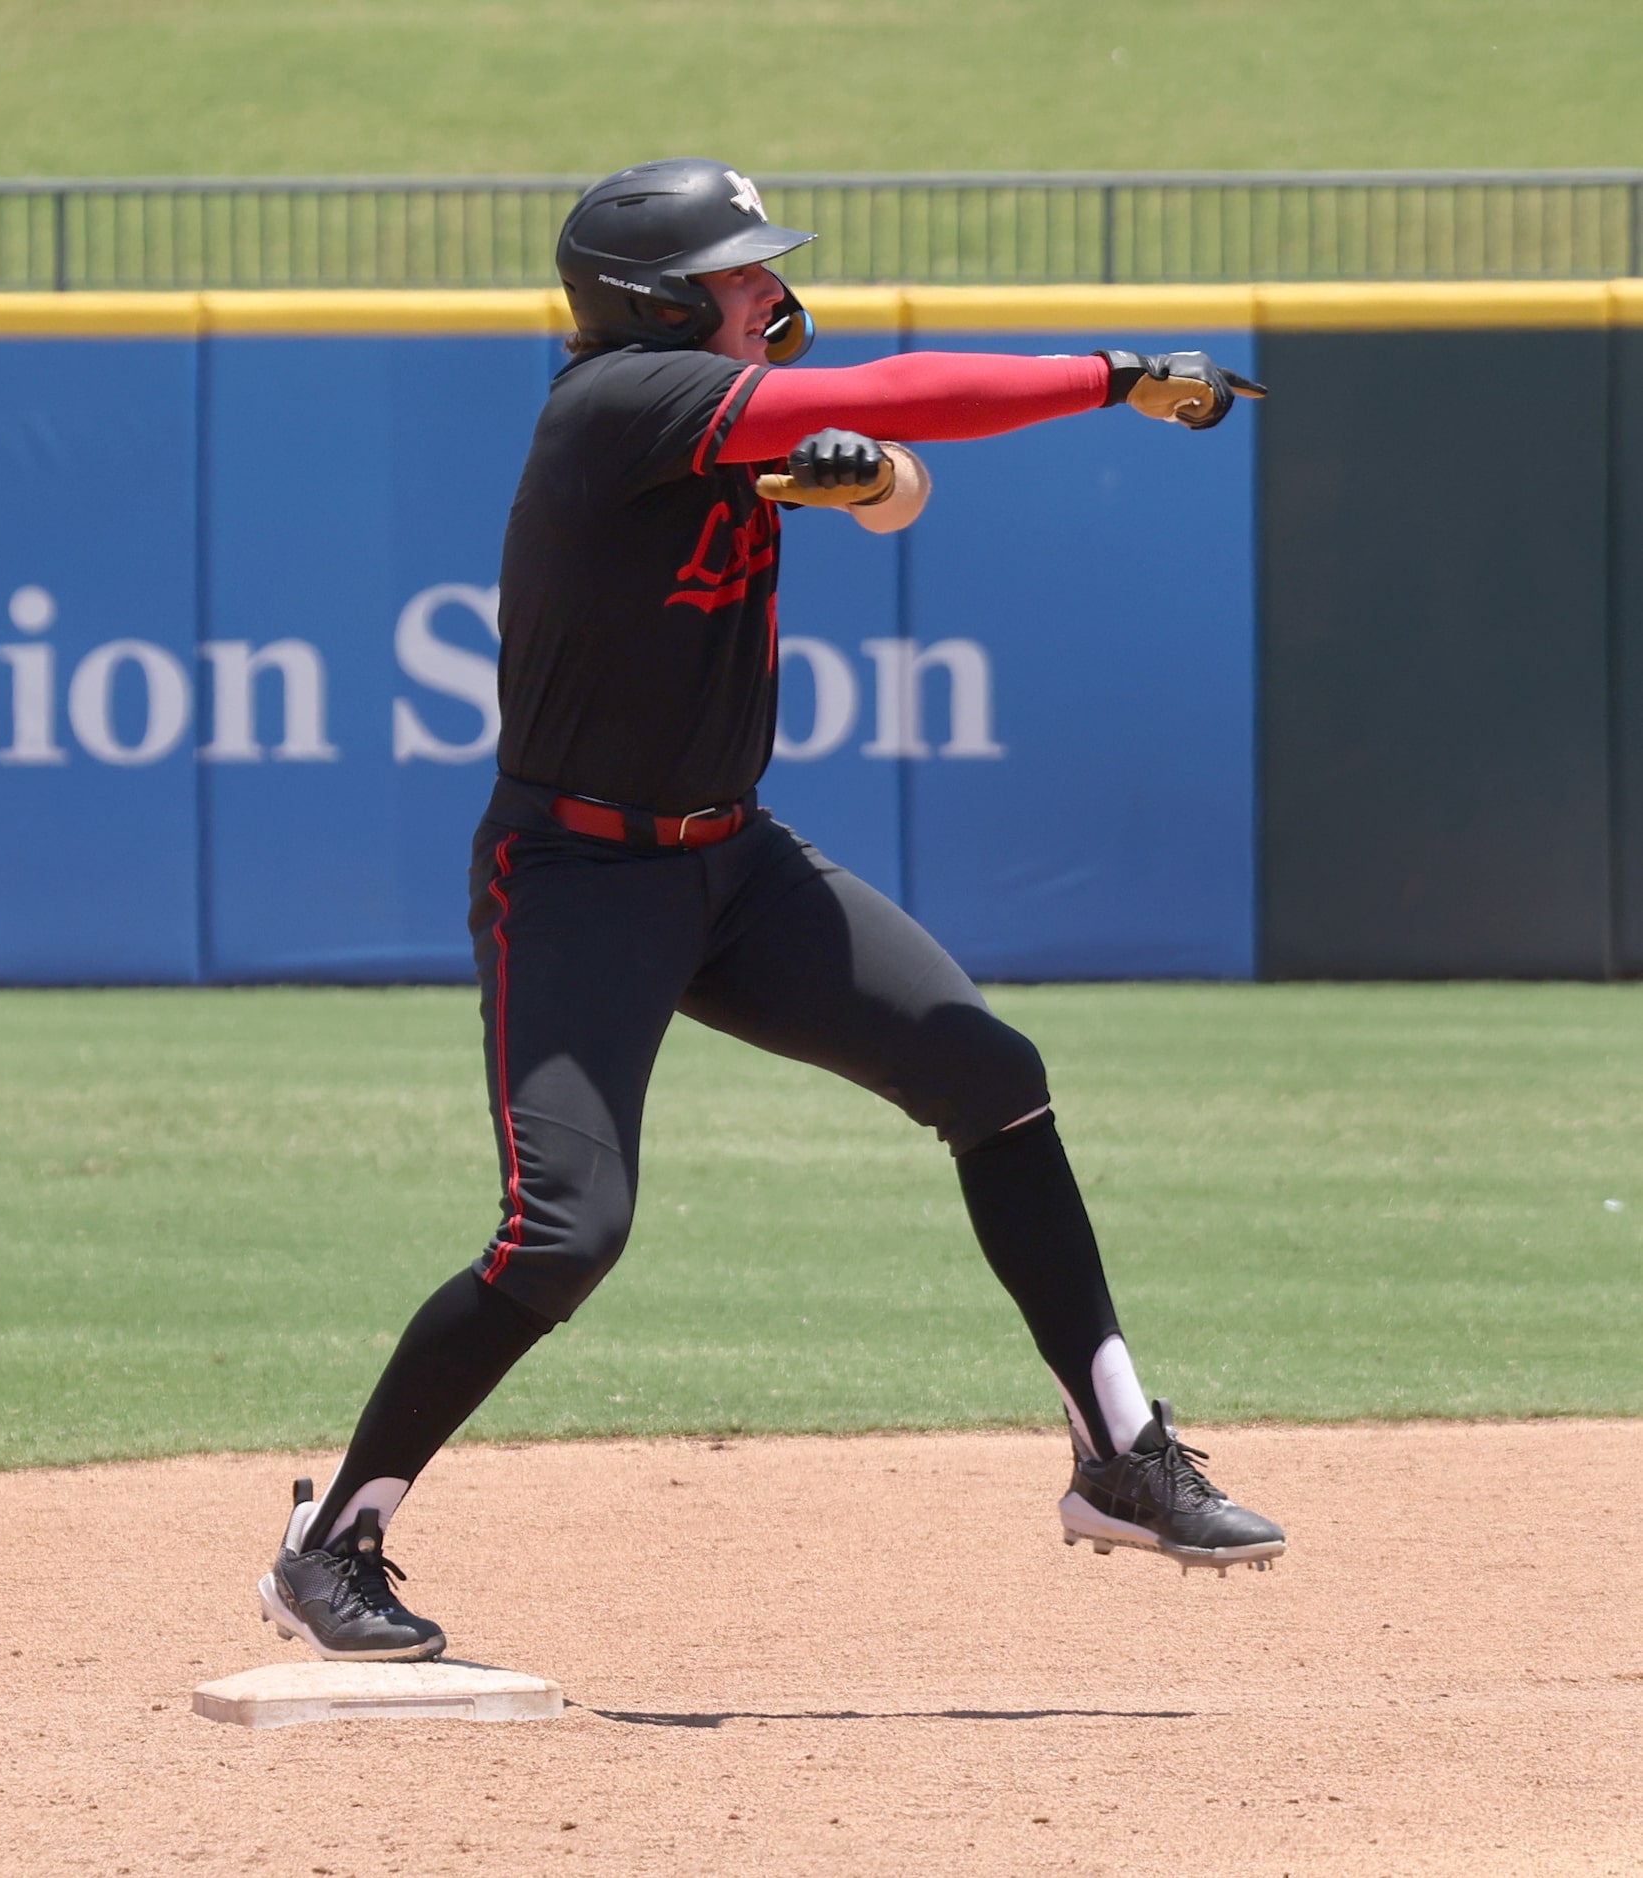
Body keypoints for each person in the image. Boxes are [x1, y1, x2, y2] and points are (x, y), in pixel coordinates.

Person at [257, 158, 1285, 1662]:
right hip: (576, 877)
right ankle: (333, 1542)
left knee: (991, 1081)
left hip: (731, 866)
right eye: (738, 269)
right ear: (660, 299)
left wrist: (870, 480)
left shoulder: (720, 398)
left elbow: (897, 476)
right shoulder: (624, 402)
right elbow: (914, 397)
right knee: (564, 1237)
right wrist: (1113, 372)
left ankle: (1121, 1453)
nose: (770, 284)